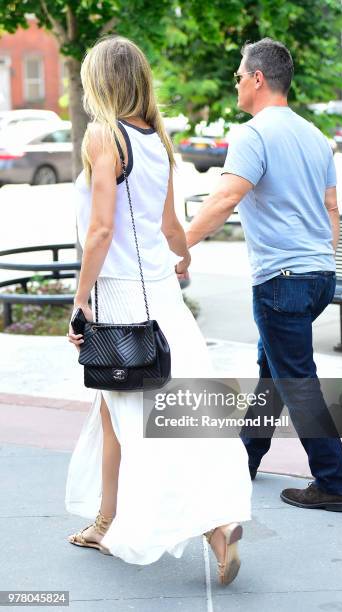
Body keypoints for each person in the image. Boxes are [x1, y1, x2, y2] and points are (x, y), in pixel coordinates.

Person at [65, 35, 252, 586]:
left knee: (145, 419)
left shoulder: (103, 135)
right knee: (142, 411)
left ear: (100, 82)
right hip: (161, 298)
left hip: (120, 297)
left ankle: (215, 524)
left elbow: (99, 230)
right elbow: (172, 230)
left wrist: (79, 302)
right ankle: (106, 519)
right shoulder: (157, 143)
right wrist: (182, 258)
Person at [186, 37, 342, 512]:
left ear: (258, 78)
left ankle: (333, 483)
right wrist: (321, 258)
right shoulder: (314, 135)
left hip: (281, 280)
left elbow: (224, 199)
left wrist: (176, 248)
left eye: (239, 75)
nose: (235, 83)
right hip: (318, 276)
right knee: (273, 374)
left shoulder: (252, 134)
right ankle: (246, 459)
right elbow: (331, 208)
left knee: (296, 379)